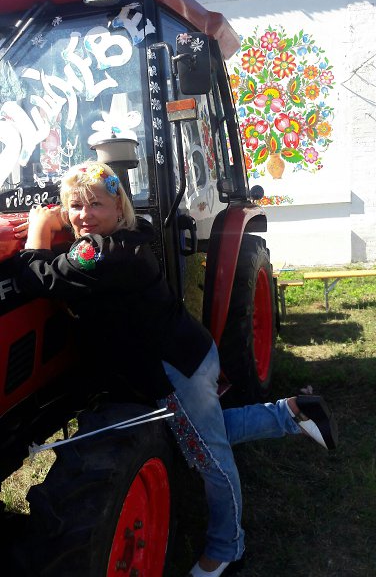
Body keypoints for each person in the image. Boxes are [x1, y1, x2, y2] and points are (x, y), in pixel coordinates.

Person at [13, 161, 338, 577]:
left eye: (96, 204)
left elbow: (38, 276)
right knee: (199, 432)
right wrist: (63, 216)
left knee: (208, 454)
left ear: (119, 207)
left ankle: (228, 547)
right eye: (75, 205)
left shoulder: (107, 252)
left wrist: (40, 228)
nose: (84, 215)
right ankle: (296, 412)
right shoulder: (118, 240)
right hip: (188, 355)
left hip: (176, 368)